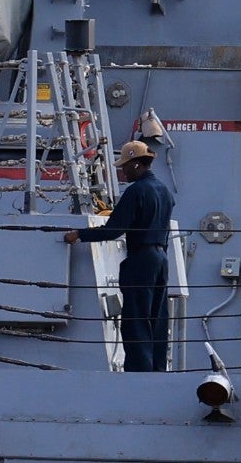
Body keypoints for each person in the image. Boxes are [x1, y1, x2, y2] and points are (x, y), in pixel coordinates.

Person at [67, 140, 176, 372]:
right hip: (161, 259)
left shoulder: (136, 191)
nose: (122, 171)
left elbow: (114, 229)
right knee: (156, 318)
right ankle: (158, 370)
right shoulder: (163, 190)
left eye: (125, 166)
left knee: (136, 319)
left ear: (137, 165)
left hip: (141, 259)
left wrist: (79, 235)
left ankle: (139, 373)